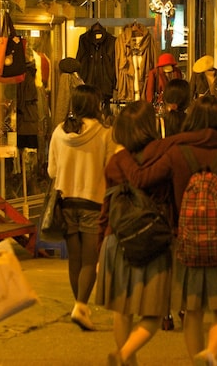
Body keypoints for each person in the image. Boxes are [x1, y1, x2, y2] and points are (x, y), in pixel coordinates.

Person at [139, 96, 217, 365]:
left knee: (192, 309)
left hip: (185, 240)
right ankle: (211, 352)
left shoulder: (177, 153)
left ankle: (197, 358)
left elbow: (146, 178)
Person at [99, 101, 176, 366]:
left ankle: (125, 360)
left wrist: (100, 246)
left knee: (122, 311)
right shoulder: (162, 157)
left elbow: (106, 208)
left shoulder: (115, 162)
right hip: (152, 240)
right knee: (154, 313)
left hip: (116, 239)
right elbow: (171, 201)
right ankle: (123, 356)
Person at [48, 84, 118, 330]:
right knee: (91, 260)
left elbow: (51, 171)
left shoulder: (59, 132)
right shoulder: (104, 133)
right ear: (95, 104)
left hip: (66, 202)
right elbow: (111, 169)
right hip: (93, 202)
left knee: (74, 260)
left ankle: (79, 306)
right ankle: (81, 306)